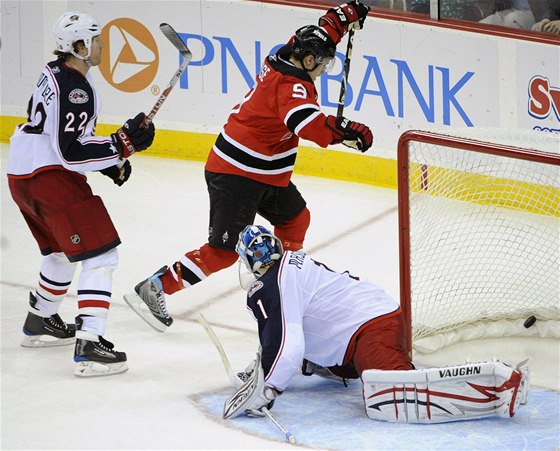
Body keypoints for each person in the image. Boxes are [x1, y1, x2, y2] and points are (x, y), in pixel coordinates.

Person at [124, 2, 374, 331]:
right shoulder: (290, 87)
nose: (324, 70)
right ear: (309, 60)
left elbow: (321, 34)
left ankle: (281, 285)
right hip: (235, 173)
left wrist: (342, 18)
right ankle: (155, 286)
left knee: (297, 220)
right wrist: (343, 132)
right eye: (322, 63)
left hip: (265, 170)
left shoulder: (290, 52)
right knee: (223, 252)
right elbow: (306, 123)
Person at [222, 225, 529, 423]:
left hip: (371, 328)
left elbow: (288, 343)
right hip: (369, 327)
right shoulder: (290, 267)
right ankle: (321, 364)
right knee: (363, 378)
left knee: (392, 395)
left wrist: (270, 388)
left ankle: (498, 382)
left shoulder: (277, 282)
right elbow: (291, 330)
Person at [7, 11, 156, 377]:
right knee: (102, 255)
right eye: (96, 40)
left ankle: (40, 319)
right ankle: (89, 343)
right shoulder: (77, 88)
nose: (103, 46)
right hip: (49, 178)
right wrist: (121, 144)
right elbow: (69, 152)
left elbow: (60, 137)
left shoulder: (53, 72)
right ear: (78, 46)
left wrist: (109, 160)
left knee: (59, 253)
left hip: (22, 173)